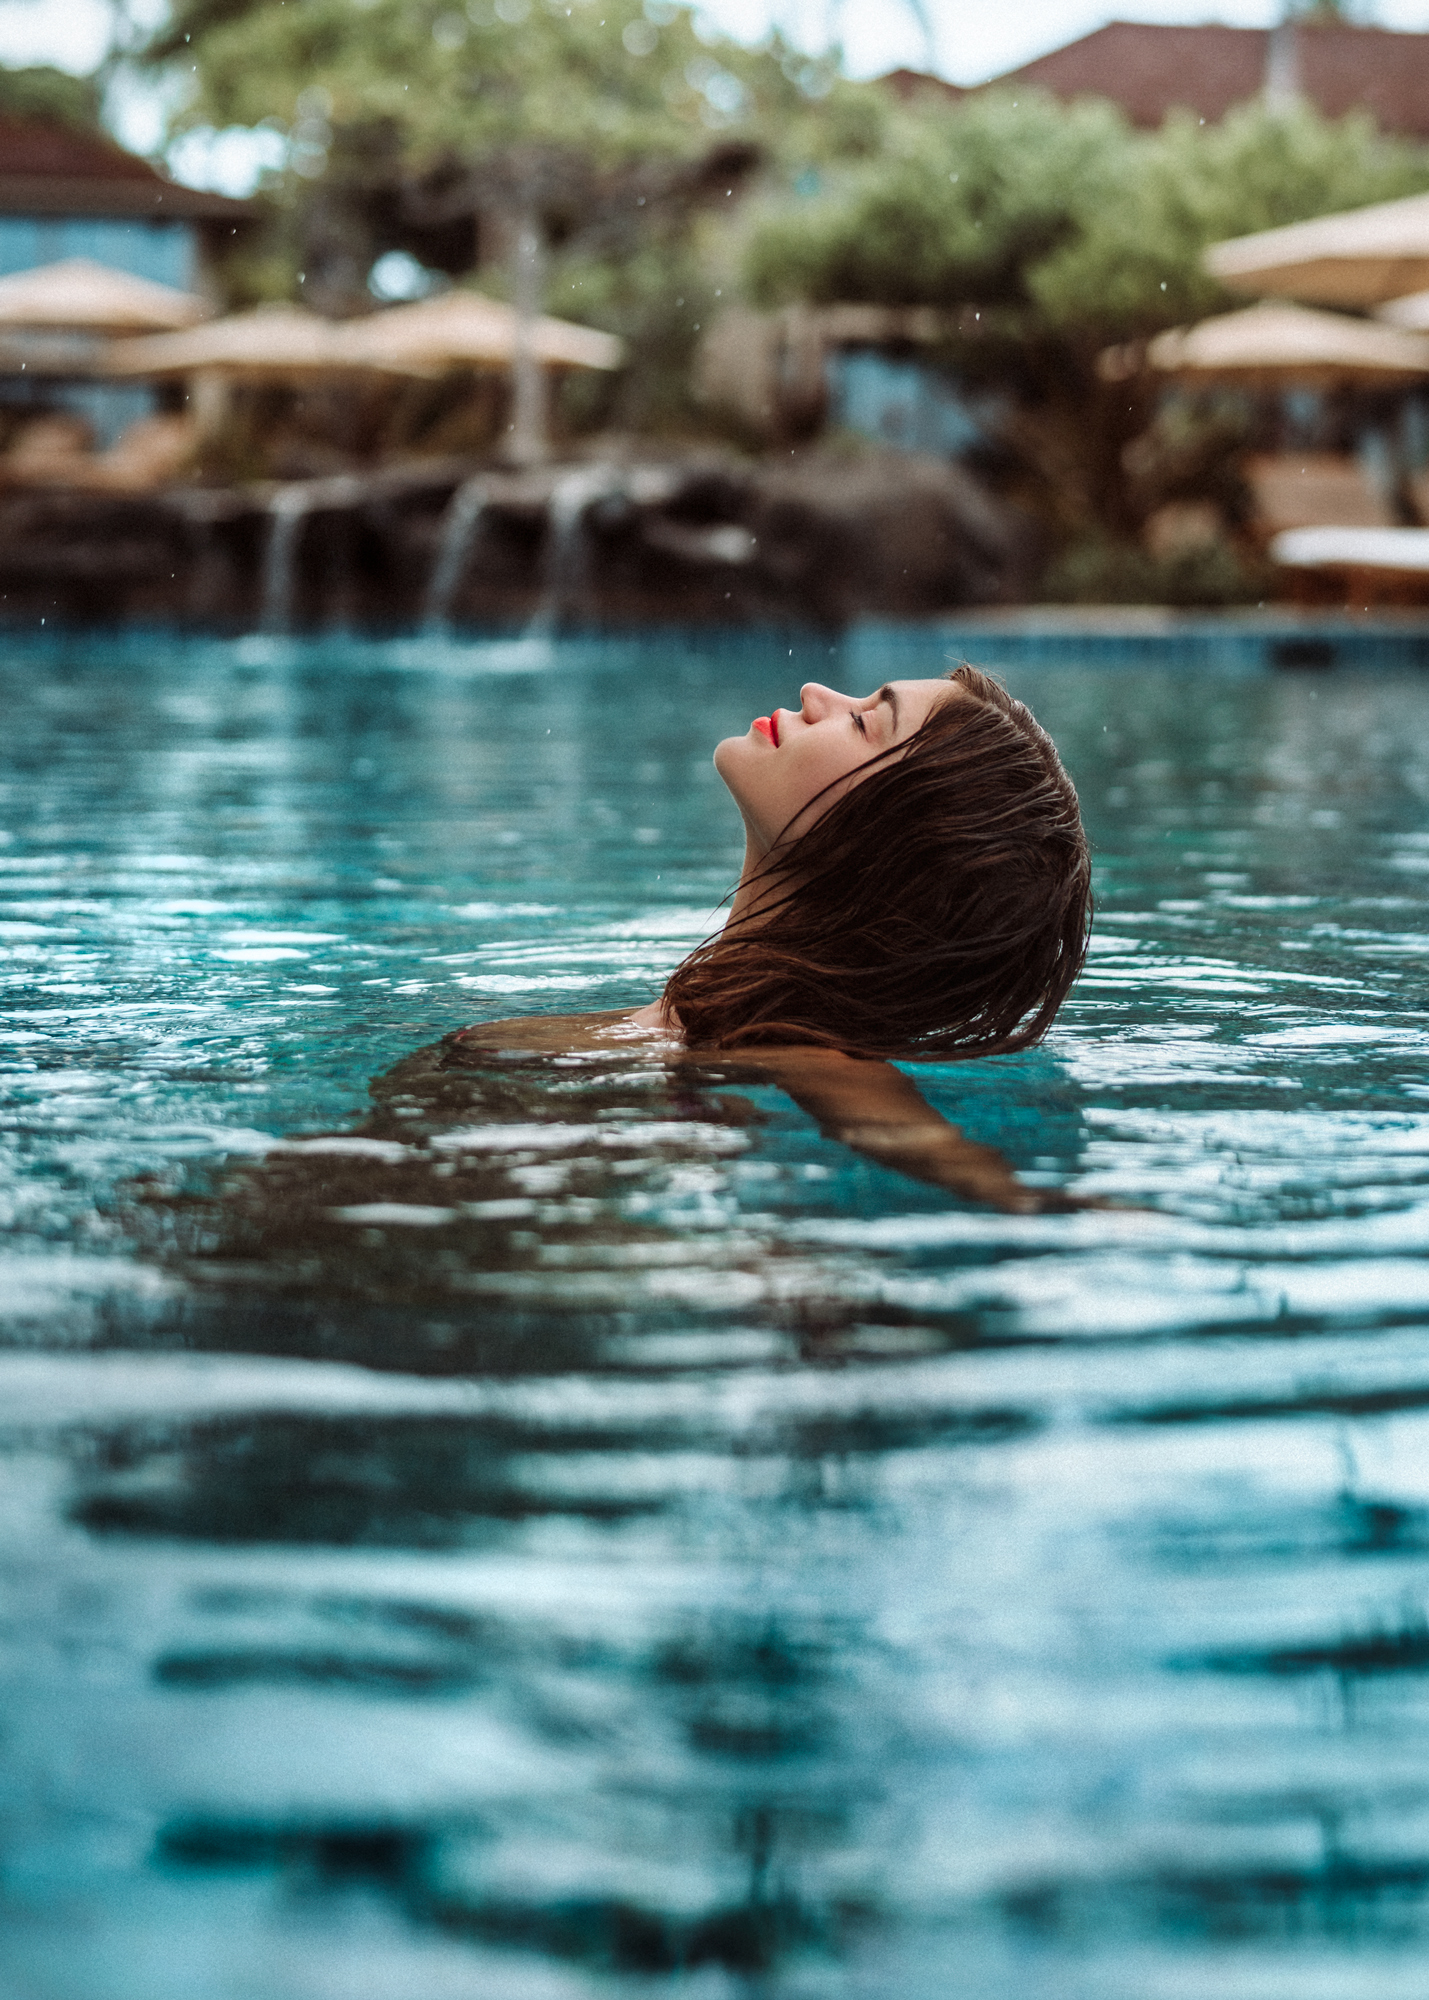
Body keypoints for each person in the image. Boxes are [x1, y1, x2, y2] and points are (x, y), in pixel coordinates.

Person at [445, 665, 1095, 1213]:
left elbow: (915, 1141)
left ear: (892, 852)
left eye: (865, 722)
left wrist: (1037, 1205)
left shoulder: (793, 1050)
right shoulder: (707, 1024)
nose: (817, 695)